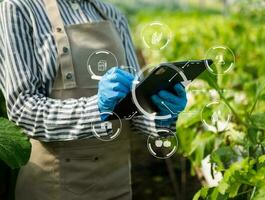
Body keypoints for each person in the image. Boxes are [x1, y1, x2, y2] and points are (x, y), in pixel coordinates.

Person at [0, 0, 187, 199]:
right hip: (55, 186)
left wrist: (161, 115)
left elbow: (134, 102)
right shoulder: (19, 8)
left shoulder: (111, 14)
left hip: (117, 183)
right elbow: (23, 109)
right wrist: (97, 109)